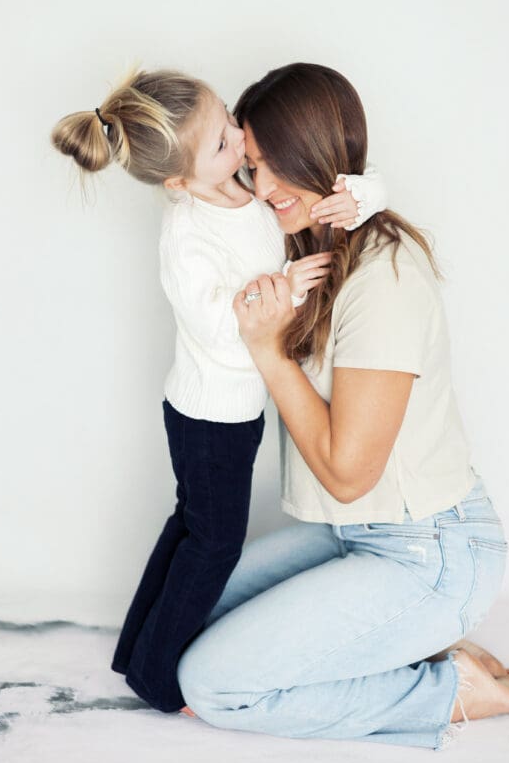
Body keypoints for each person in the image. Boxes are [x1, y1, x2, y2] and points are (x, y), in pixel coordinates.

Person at [176, 62, 509, 748]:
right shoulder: (310, 248)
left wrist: (268, 351)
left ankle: (450, 688)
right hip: (350, 534)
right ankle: (406, 643)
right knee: (181, 615)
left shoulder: (384, 278)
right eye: (252, 165)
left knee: (212, 685)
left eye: (277, 164)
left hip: (430, 552)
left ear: (321, 153)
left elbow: (349, 475)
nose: (263, 188)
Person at [51, 68, 388, 712]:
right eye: (222, 143)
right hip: (209, 416)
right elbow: (218, 327)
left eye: (230, 120)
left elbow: (359, 188)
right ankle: (157, 680)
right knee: (214, 544)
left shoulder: (247, 189)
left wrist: (360, 198)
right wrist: (286, 289)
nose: (241, 140)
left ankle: (133, 651)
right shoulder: (187, 233)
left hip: (231, 410)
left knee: (190, 525)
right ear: (179, 182)